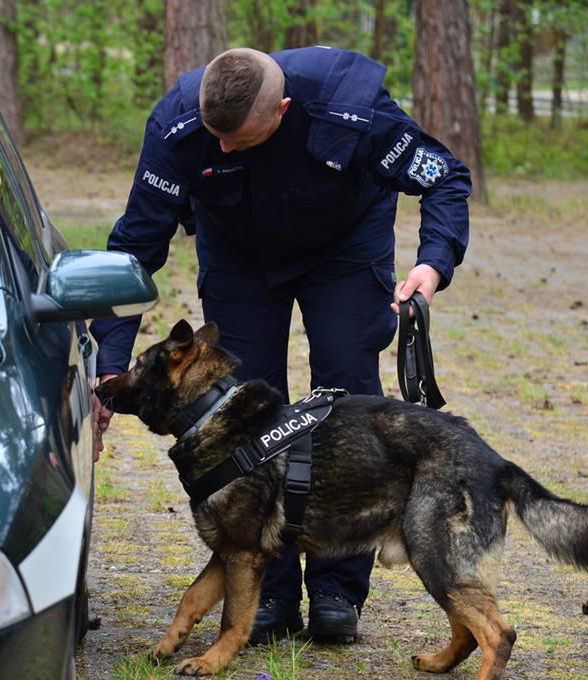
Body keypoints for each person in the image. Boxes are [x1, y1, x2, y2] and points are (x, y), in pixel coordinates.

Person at [89, 46, 470, 645]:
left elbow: (443, 177)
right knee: (238, 418)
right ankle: (266, 594)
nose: (220, 151)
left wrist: (433, 262)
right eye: (215, 138)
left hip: (343, 249)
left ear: (283, 109)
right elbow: (134, 247)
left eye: (236, 141)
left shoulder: (352, 109)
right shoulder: (179, 125)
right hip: (238, 256)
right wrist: (109, 369)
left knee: (346, 399)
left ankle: (336, 587)